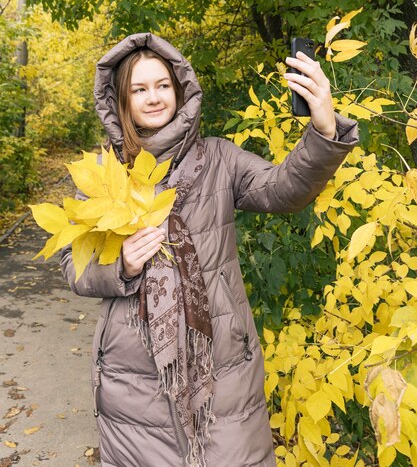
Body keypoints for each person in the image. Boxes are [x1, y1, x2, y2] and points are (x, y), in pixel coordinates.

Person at [61, 33, 358, 467]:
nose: (154, 97)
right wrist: (121, 265)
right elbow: (74, 266)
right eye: (139, 89)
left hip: (223, 367)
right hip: (135, 379)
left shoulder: (219, 159)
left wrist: (324, 129)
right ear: (120, 101)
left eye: (162, 85)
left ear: (180, 90)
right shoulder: (104, 172)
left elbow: (284, 191)